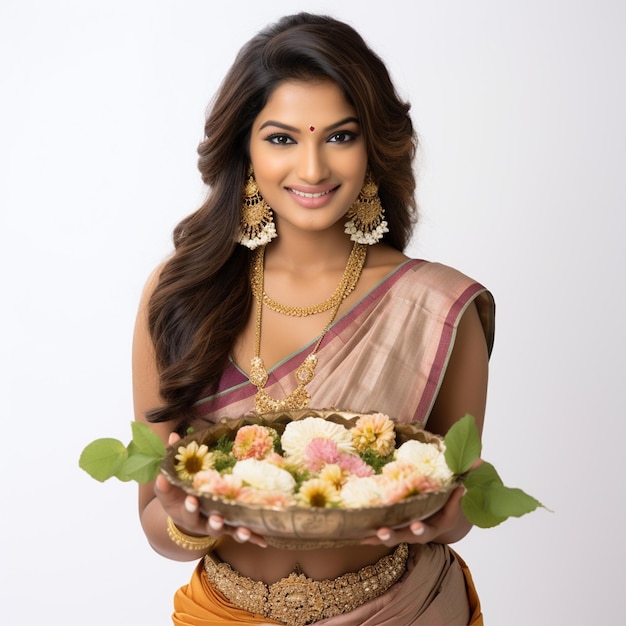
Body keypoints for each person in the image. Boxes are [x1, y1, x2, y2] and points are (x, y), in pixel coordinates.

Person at [132, 12, 494, 626]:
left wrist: (454, 512)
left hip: (402, 611)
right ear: (244, 148)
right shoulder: (181, 294)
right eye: (281, 139)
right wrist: (185, 522)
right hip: (225, 613)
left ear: (373, 145)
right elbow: (153, 521)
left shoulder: (436, 306)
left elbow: (456, 509)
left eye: (339, 136)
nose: (312, 169)